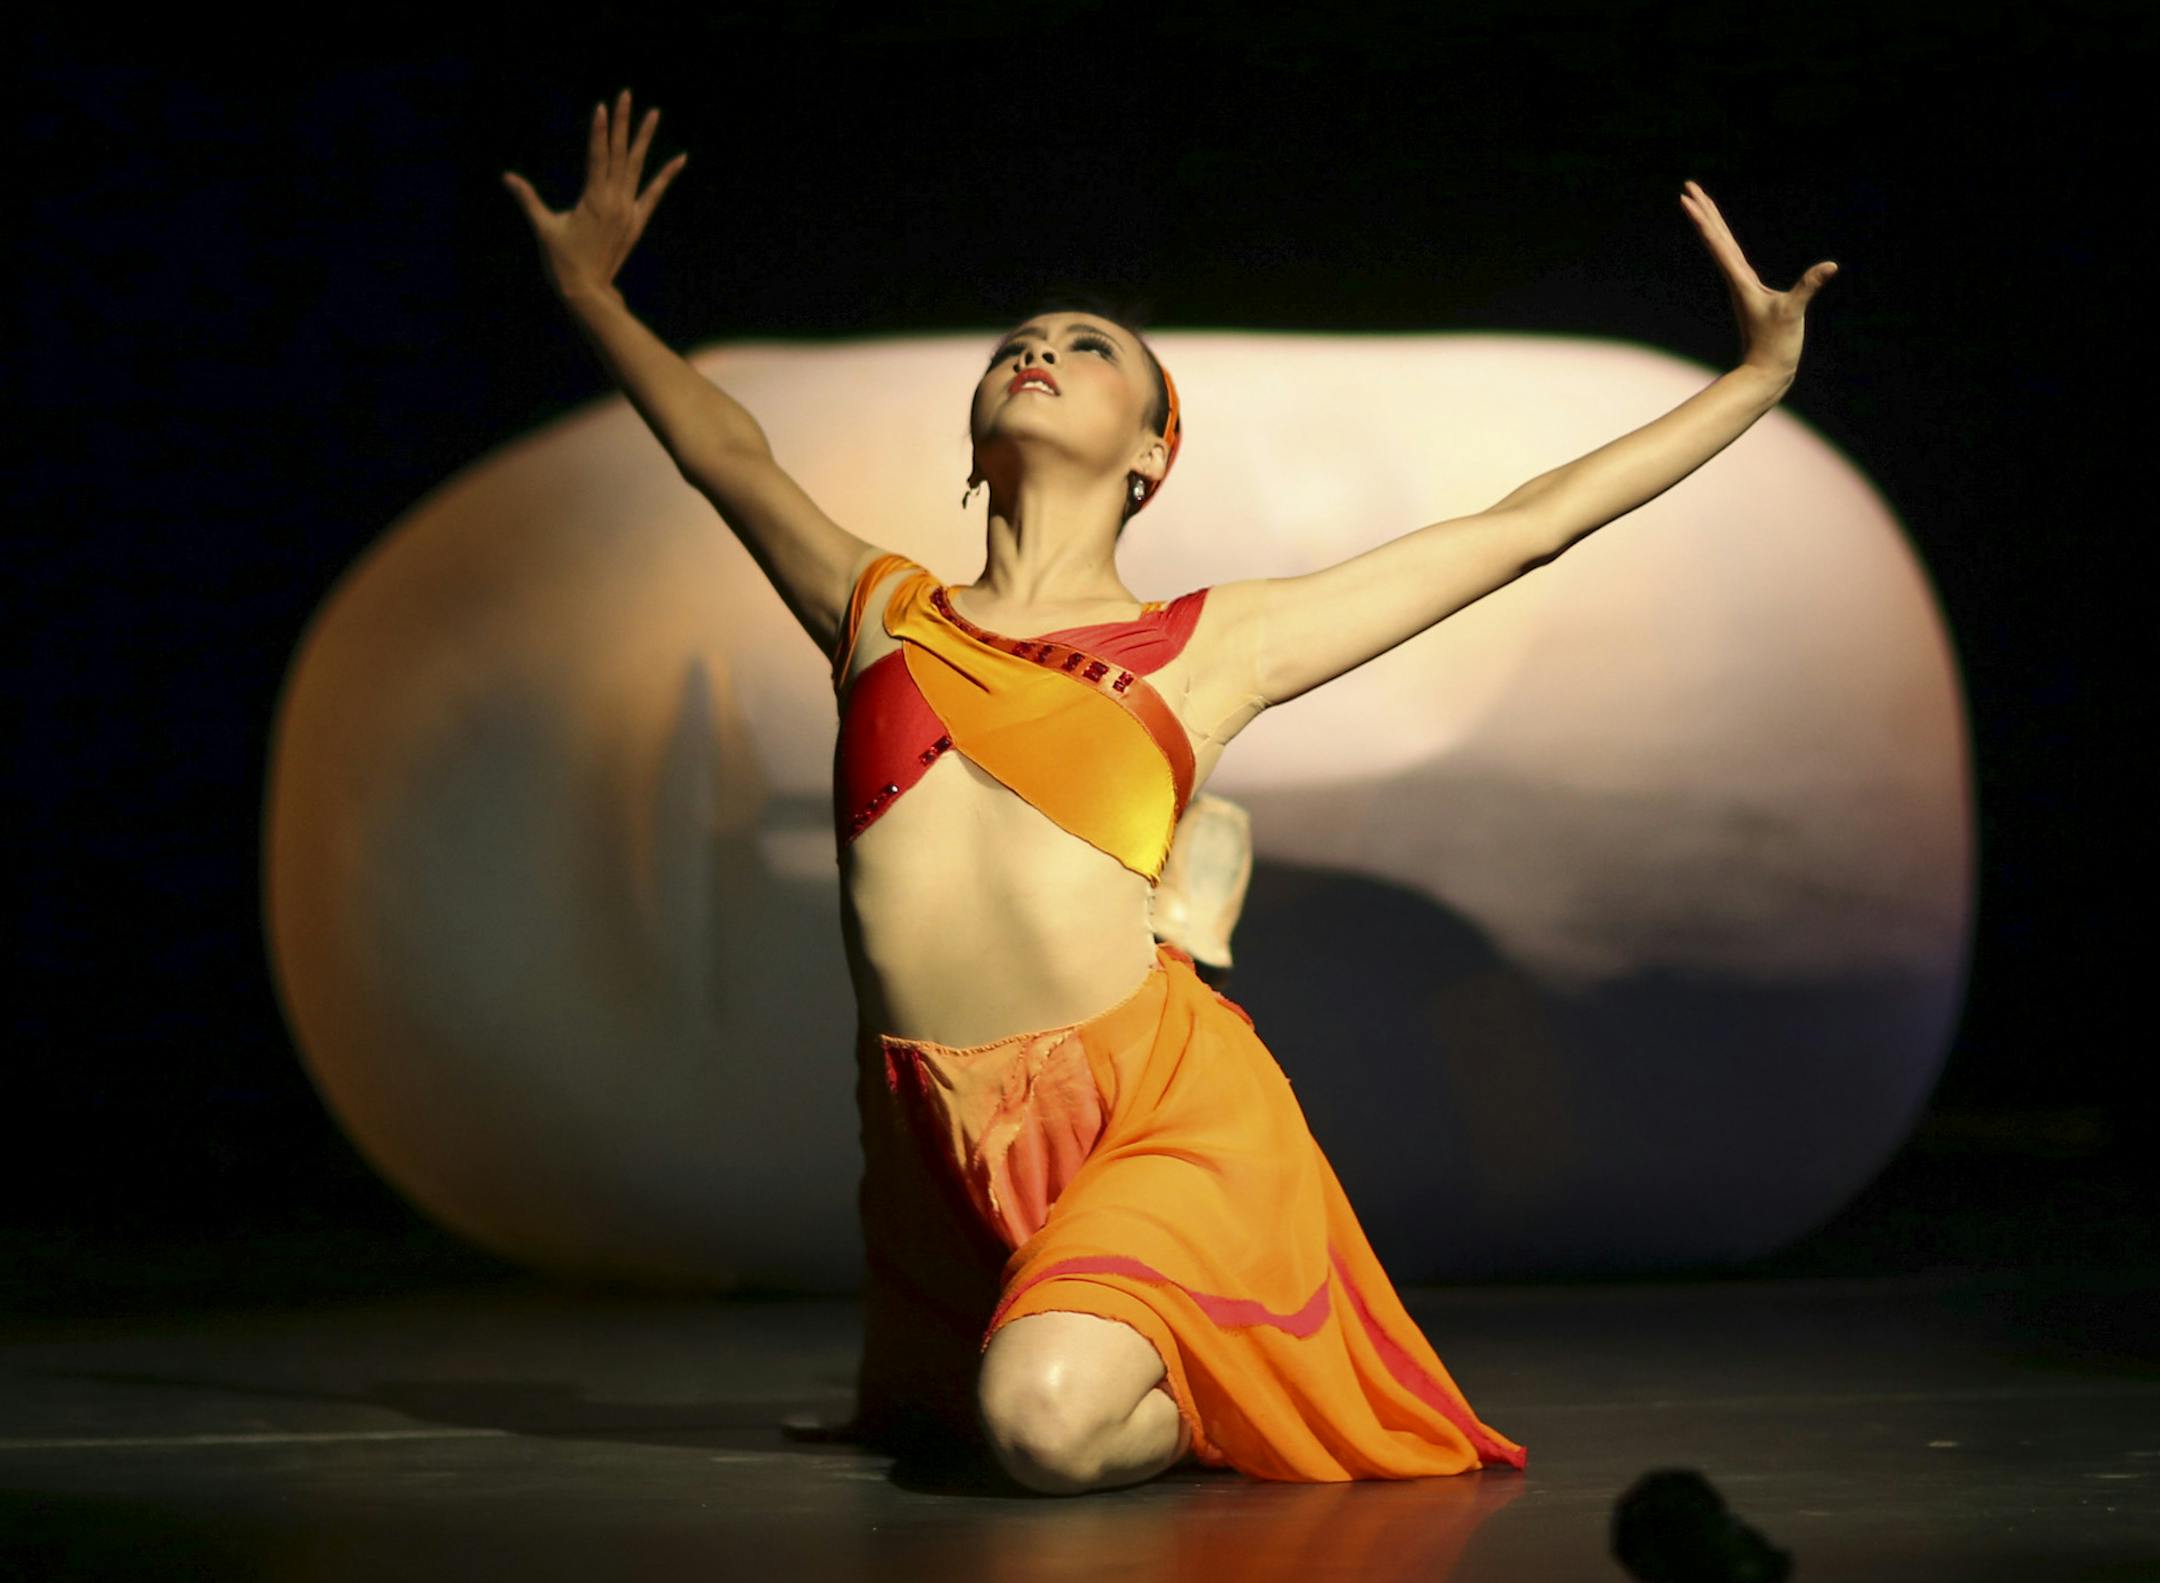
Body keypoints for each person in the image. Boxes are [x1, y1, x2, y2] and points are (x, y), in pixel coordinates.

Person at [504, 90, 1837, 1496]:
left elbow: (1522, 528)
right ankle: (1087, 1347)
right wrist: (591, 293)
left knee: (1035, 1427)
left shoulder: (1212, 647)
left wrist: (1752, 382)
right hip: (932, 1136)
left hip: (1155, 1114)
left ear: (1152, 450)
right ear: (971, 448)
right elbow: (726, 450)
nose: (1041, 353)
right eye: (1021, 344)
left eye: (1088, 351)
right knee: (975, 1416)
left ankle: (1171, 1375)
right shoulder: (879, 612)